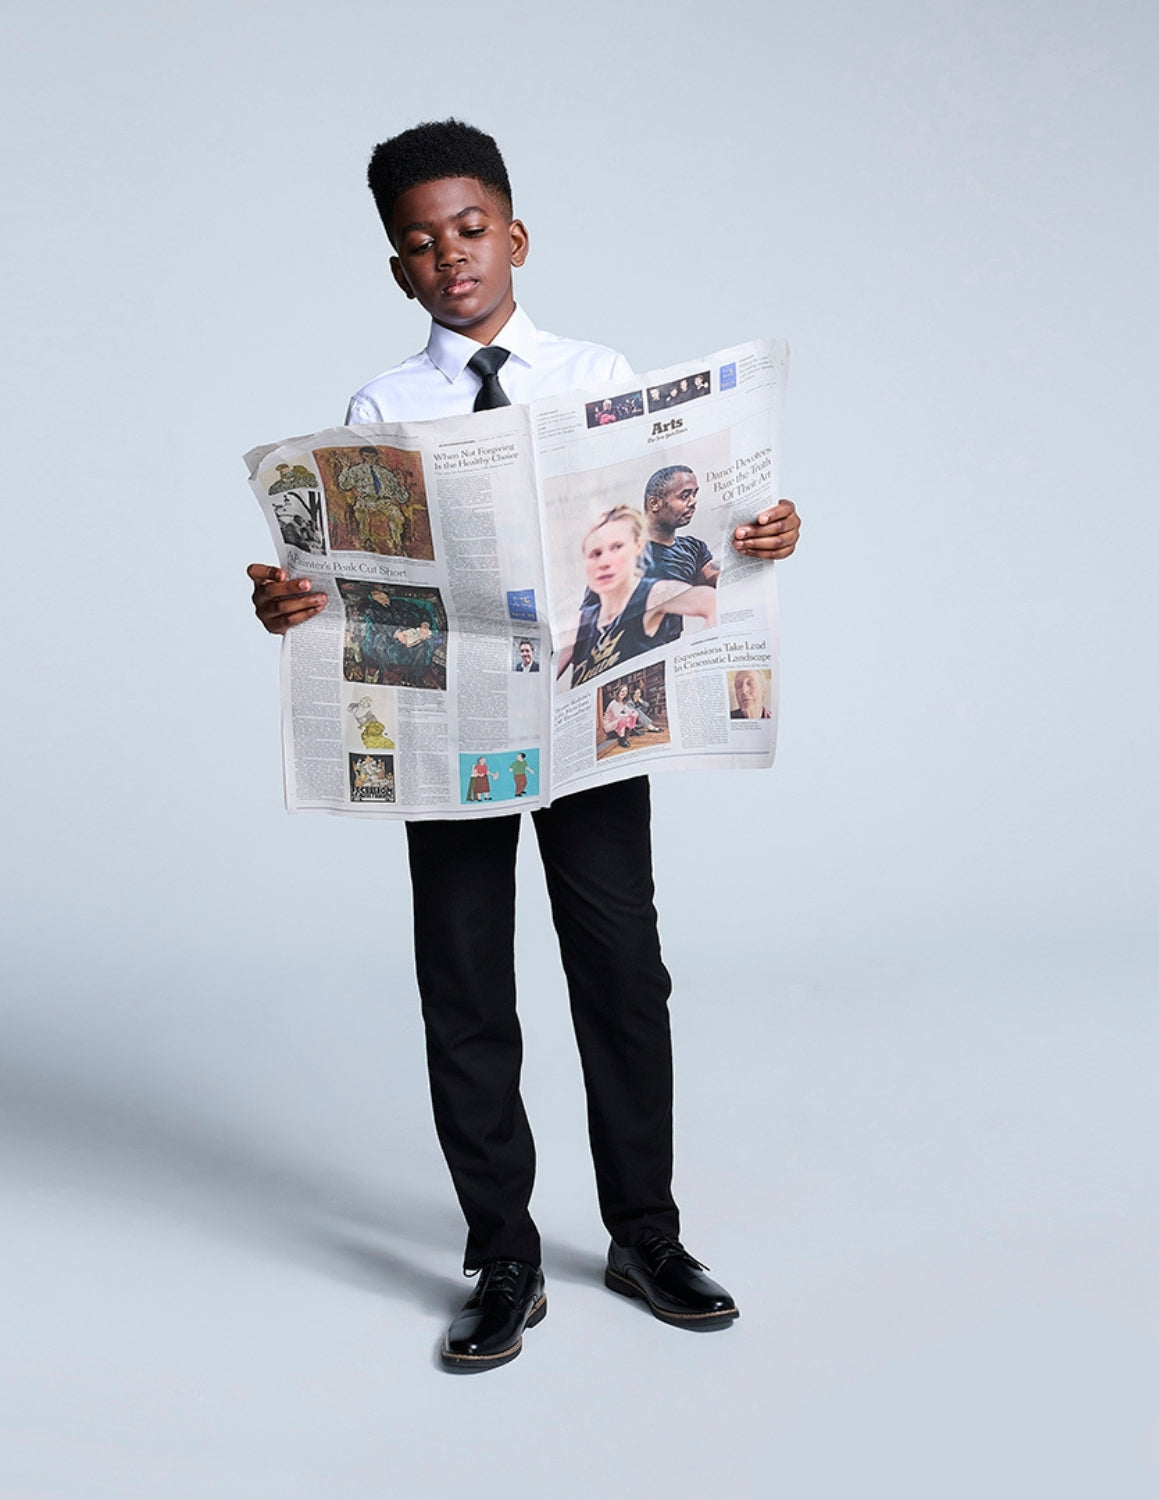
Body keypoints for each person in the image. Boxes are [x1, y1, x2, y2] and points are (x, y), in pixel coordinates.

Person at [246, 119, 800, 1372]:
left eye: (471, 229)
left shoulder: (597, 372)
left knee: (623, 974)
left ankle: (646, 1235)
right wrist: (291, 601)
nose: (451, 256)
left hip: (588, 721)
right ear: (398, 268)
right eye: (421, 242)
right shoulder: (384, 405)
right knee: (466, 987)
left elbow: (684, 526)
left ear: (517, 237)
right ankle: (503, 1255)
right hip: (457, 730)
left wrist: (763, 531)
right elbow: (360, 580)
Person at [559, 505, 717, 687]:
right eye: (596, 553)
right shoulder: (580, 621)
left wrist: (700, 666)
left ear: (638, 548)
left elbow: (711, 602)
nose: (604, 562)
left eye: (617, 547)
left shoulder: (653, 594)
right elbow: (543, 672)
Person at [601, 683, 638, 748]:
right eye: (622, 691)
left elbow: (628, 710)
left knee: (633, 715)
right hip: (609, 725)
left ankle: (631, 729)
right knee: (623, 719)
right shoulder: (614, 703)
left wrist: (634, 712)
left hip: (615, 722)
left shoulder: (622, 702)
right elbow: (617, 715)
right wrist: (629, 714)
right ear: (618, 692)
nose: (624, 693)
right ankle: (622, 739)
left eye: (625, 691)